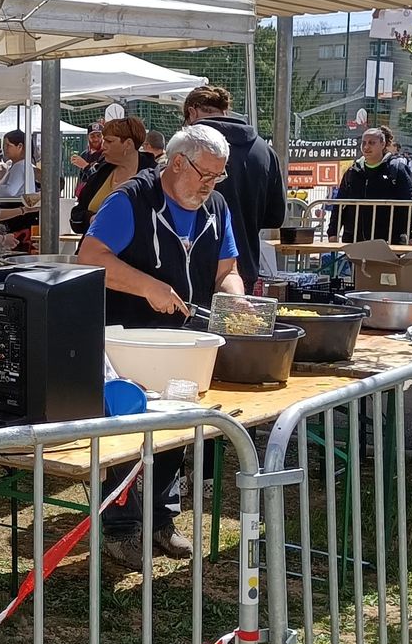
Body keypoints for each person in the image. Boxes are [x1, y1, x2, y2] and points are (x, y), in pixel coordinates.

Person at [76, 125, 244, 564]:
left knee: (175, 430)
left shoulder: (216, 207)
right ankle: (120, 527)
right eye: (204, 175)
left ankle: (161, 520)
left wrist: (235, 297)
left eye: (218, 176)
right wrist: (148, 286)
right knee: (122, 435)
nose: (210, 185)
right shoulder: (131, 199)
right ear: (177, 163)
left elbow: (227, 268)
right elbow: (90, 257)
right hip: (126, 342)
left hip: (183, 343)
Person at [182, 85, 286, 283]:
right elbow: (275, 217)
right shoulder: (264, 150)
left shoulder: (187, 144)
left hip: (190, 268)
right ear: (225, 111)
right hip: (244, 266)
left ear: (192, 112)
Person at [332, 126, 412, 243]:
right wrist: (333, 232)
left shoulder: (397, 170)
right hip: (354, 240)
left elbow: (410, 203)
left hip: (388, 240)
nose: (366, 147)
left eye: (372, 143)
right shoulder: (352, 172)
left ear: (383, 144)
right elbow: (339, 204)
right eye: (364, 143)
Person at [68, 117, 149, 235]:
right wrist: (91, 219)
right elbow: (76, 215)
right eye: (103, 140)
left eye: (109, 141)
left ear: (128, 144)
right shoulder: (101, 172)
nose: (104, 145)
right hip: (94, 244)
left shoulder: (152, 177)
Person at [0, 129, 35, 198]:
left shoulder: (20, 166)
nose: (4, 148)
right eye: (4, 145)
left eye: (8, 145)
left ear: (20, 146)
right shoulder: (20, 165)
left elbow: (10, 191)